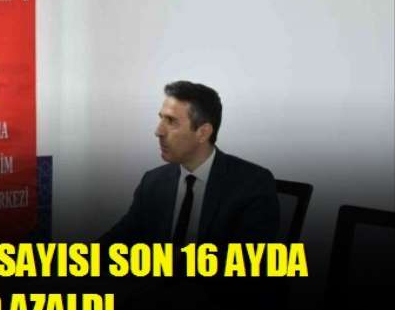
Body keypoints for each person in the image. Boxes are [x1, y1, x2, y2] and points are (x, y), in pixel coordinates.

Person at [101, 80, 279, 245]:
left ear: (203, 132)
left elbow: (249, 260)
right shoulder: (153, 182)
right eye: (161, 118)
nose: (158, 131)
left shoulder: (253, 184)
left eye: (171, 121)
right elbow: (118, 240)